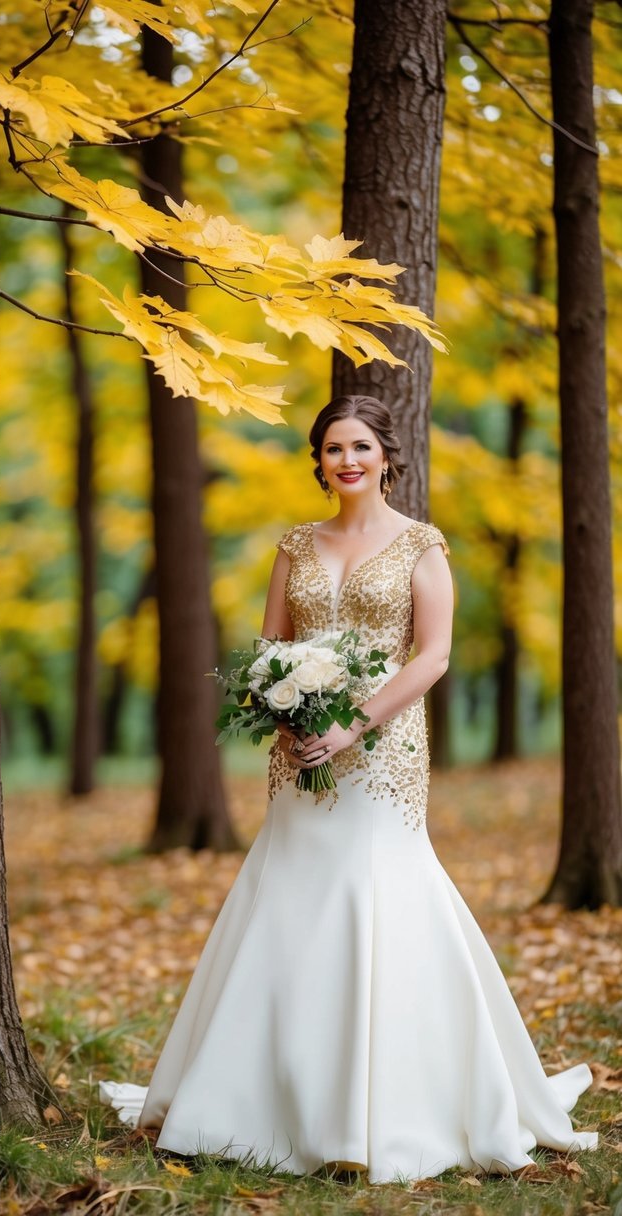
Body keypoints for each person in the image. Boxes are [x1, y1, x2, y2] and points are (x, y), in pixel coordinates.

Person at [101, 395, 597, 1183]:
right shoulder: (294, 545)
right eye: (332, 448)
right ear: (319, 461)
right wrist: (281, 707)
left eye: (359, 446)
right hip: (299, 751)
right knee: (291, 896)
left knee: (376, 894)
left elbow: (429, 657)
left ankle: (392, 1105)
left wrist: (353, 725)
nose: (347, 460)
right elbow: (271, 646)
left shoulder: (419, 546)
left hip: (384, 751)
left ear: (386, 456)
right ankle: (259, 1100)